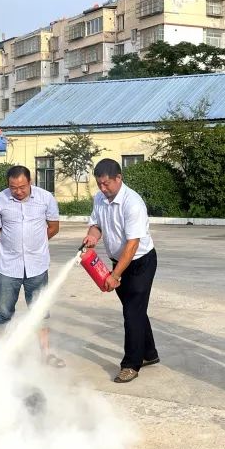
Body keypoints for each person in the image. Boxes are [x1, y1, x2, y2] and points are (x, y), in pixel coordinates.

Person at [81, 158, 158, 384]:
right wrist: (92, 236)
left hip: (140, 262)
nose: (103, 189)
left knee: (131, 312)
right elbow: (96, 225)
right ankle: (149, 353)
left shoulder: (133, 203)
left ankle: (131, 365)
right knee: (135, 309)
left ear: (118, 179)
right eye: (99, 184)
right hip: (119, 260)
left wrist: (115, 276)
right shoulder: (100, 199)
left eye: (107, 184)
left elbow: (133, 245)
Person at [0, 165, 63, 365]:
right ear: (8, 185)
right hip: (8, 267)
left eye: (22, 187)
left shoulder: (46, 198)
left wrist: (37, 242)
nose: (18, 191)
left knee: (39, 311)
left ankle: (46, 354)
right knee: (4, 311)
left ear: (30, 182)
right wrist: (15, 244)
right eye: (13, 187)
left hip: (37, 266)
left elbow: (54, 227)